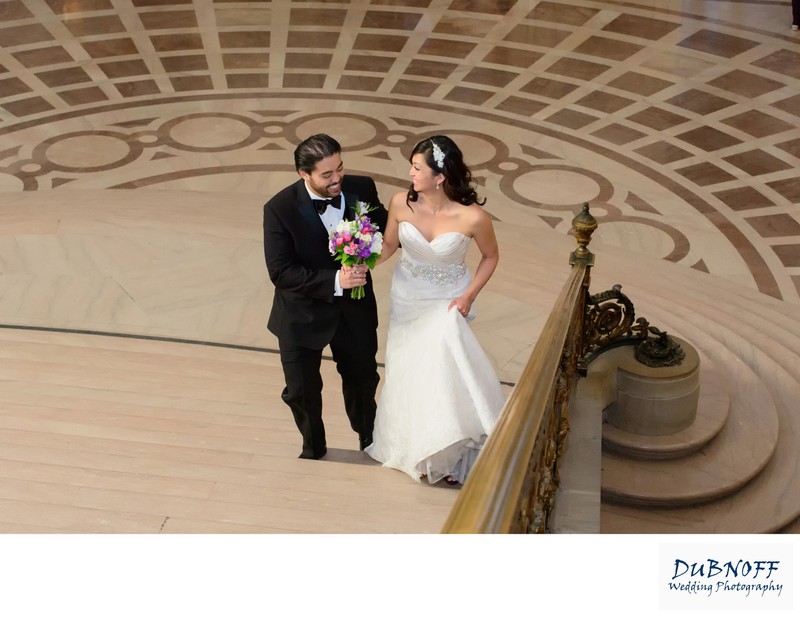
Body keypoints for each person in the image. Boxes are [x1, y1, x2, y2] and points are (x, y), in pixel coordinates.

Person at [364, 135, 506, 485]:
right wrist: (360, 262)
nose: (410, 173)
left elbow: (491, 257)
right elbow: (389, 245)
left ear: (439, 176)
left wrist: (469, 296)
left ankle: (450, 451)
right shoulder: (400, 203)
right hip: (407, 298)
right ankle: (416, 447)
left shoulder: (473, 217)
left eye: (417, 168)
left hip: (447, 302)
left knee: (441, 373)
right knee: (409, 372)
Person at [263, 134, 388, 460]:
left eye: (340, 169)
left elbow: (386, 228)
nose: (337, 180)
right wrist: (336, 279)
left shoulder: (362, 188)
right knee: (301, 391)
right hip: (300, 315)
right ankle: (313, 446)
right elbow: (280, 272)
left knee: (363, 381)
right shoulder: (279, 209)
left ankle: (371, 442)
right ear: (304, 174)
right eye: (327, 175)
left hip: (355, 311)